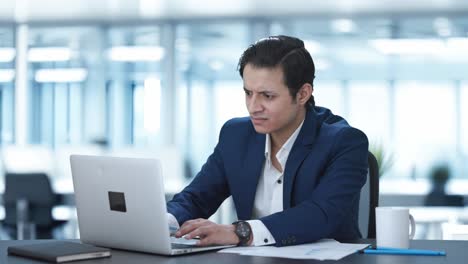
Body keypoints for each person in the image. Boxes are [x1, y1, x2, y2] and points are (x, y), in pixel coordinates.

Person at [166, 35, 369, 247]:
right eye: (248, 93)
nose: (253, 107)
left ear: (302, 94)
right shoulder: (235, 135)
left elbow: (320, 214)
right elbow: (196, 198)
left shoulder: (344, 142)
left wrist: (240, 232)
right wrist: (163, 222)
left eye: (267, 96)